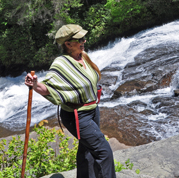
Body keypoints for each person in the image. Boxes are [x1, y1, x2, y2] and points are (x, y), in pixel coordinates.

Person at [24, 24, 116, 178]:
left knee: (87, 149)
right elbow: (49, 88)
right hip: (77, 115)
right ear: (67, 44)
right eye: (80, 39)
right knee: (104, 151)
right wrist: (35, 84)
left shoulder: (83, 56)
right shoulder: (61, 63)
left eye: (84, 38)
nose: (84, 41)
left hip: (92, 109)